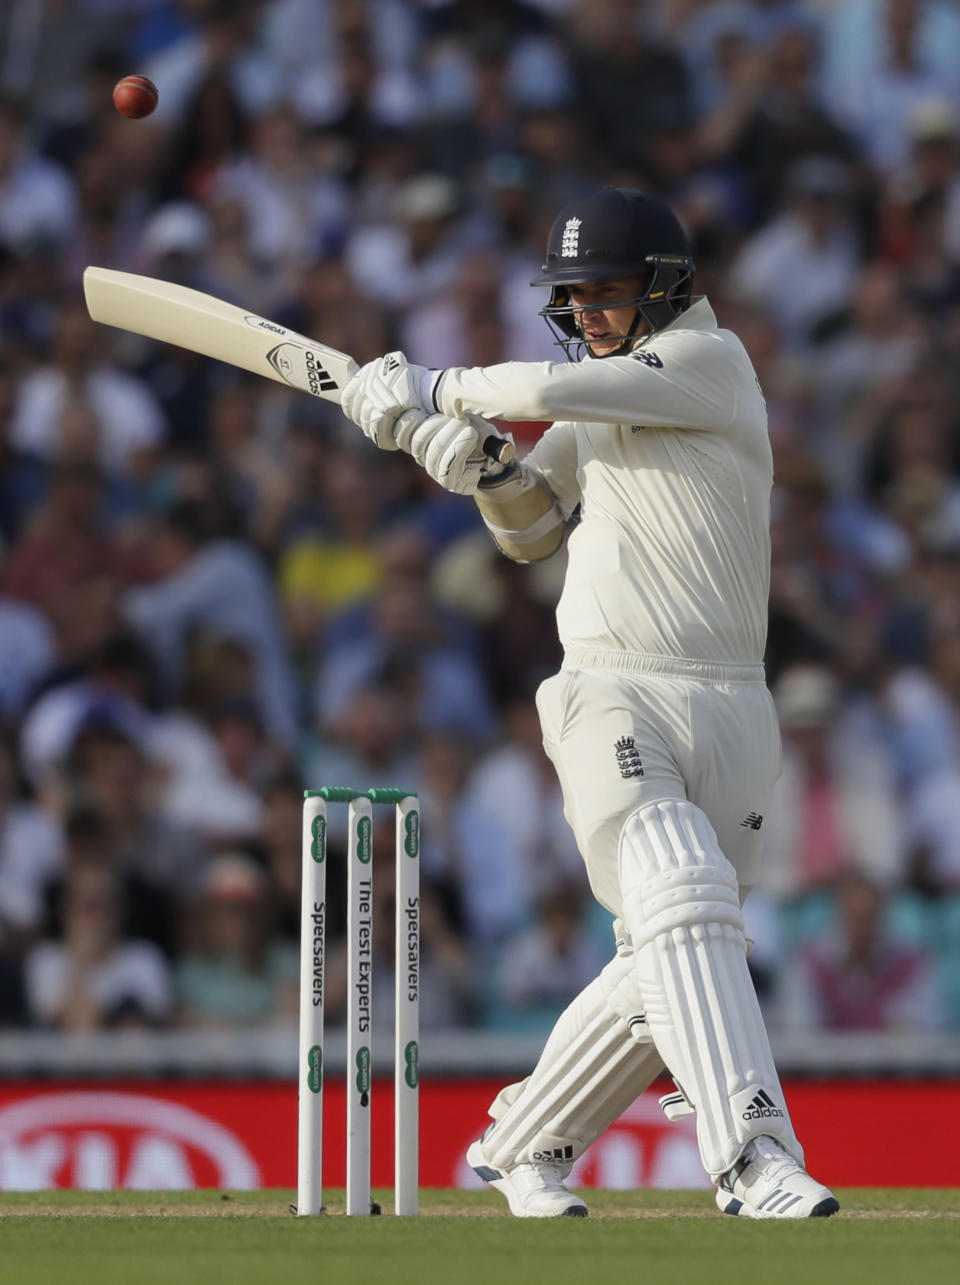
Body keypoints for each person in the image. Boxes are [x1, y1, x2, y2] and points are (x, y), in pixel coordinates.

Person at [340, 186, 839, 1220]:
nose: (590, 314)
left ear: (665, 286)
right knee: (685, 891)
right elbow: (530, 531)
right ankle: (752, 1153)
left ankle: (523, 1144)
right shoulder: (602, 387)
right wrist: (481, 469)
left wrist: (436, 388)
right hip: (610, 683)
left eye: (607, 292)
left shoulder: (708, 363)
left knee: (673, 949)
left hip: (735, 704)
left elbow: (527, 385)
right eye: (575, 296)